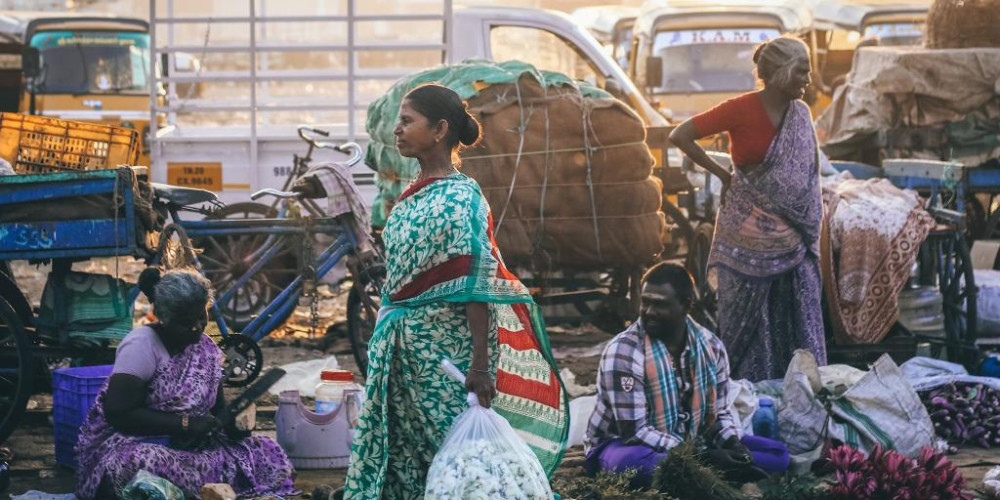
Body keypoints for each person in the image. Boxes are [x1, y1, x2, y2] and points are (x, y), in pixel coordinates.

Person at [342, 83, 569, 499]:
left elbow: (476, 285)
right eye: (398, 121)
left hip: (449, 357)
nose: (397, 130)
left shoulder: (462, 198)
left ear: (440, 129)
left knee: (458, 461)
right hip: (402, 353)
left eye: (407, 121)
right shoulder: (410, 197)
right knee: (405, 455)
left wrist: (480, 366)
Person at [668, 36, 826, 381]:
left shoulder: (800, 114)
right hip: (745, 233)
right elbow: (680, 136)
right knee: (750, 322)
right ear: (783, 72)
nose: (808, 81)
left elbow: (807, 178)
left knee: (794, 312)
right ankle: (749, 391)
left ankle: (801, 389)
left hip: (794, 237)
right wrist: (723, 174)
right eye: (802, 71)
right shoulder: (739, 109)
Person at [75, 268, 296, 499]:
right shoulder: (141, 346)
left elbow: (217, 408)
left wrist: (232, 426)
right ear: (164, 317)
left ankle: (197, 489)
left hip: (193, 446)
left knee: (264, 449)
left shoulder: (207, 348)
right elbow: (119, 413)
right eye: (185, 322)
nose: (197, 327)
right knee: (138, 464)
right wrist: (184, 424)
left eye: (201, 317)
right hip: (137, 442)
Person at [585, 263, 789, 487]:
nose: (648, 311)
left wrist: (732, 443)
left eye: (659, 304)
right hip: (621, 446)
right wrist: (703, 457)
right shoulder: (624, 351)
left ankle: (708, 470)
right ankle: (711, 470)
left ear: (686, 305)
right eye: (645, 302)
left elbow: (718, 414)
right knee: (634, 464)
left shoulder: (711, 346)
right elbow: (635, 432)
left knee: (778, 454)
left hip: (689, 442)